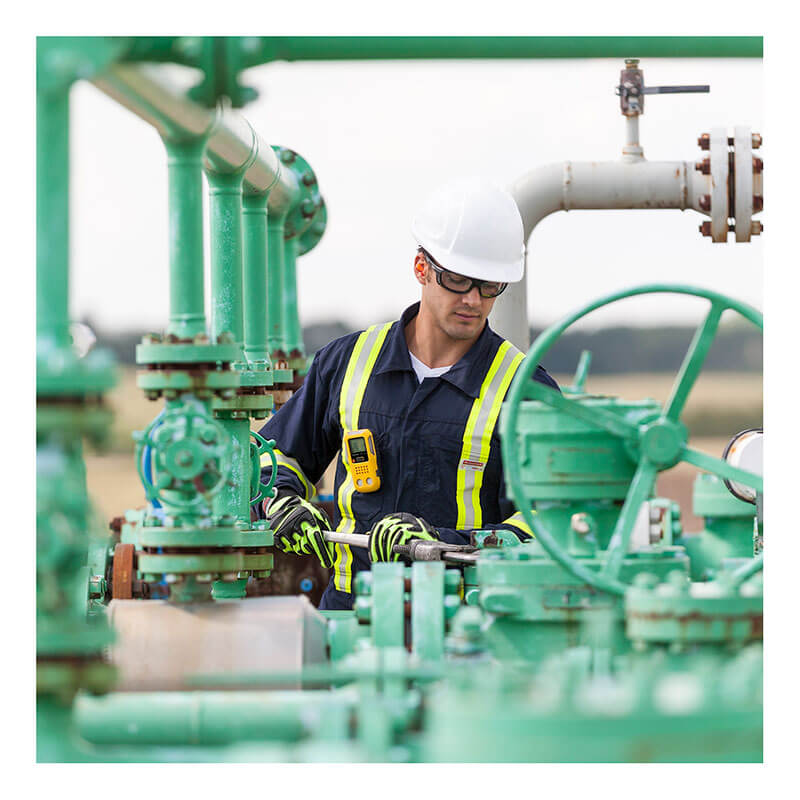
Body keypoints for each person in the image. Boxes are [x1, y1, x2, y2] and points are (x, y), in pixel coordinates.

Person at [254, 178, 559, 610]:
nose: (474, 299)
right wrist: (279, 499)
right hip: (348, 615)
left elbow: (549, 520)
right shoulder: (347, 363)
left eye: (490, 286)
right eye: (458, 280)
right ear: (421, 268)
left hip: (468, 625)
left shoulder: (525, 390)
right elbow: (272, 455)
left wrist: (442, 543)